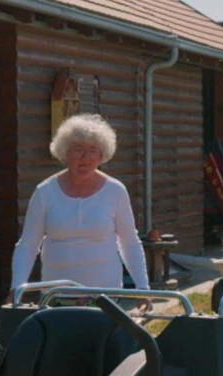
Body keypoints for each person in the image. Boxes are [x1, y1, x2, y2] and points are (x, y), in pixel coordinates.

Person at [11, 114, 149, 296]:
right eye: (78, 149)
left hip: (105, 296)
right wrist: (16, 288)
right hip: (56, 296)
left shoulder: (115, 191)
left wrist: (142, 288)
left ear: (101, 155)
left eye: (92, 150)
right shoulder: (45, 192)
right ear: (64, 153)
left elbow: (129, 242)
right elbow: (28, 245)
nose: (85, 157)